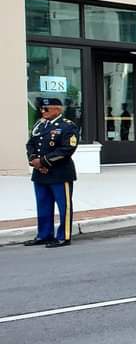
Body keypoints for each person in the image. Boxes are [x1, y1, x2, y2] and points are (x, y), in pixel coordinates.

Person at [24, 97, 79, 248]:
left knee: (64, 206)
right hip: (40, 173)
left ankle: (63, 236)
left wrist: (44, 161)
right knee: (43, 205)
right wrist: (34, 159)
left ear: (57, 109)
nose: (43, 111)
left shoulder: (67, 126)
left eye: (46, 109)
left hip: (59, 173)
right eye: (41, 108)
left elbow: (67, 149)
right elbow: (31, 144)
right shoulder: (40, 125)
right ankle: (44, 234)